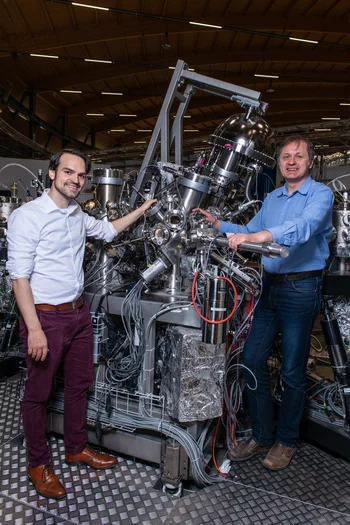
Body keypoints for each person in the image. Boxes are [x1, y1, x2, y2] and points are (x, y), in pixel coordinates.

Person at [6, 149, 157, 499]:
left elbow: (107, 231)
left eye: (81, 175)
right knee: (38, 394)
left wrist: (143, 209)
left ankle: (75, 448)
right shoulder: (27, 216)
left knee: (79, 384)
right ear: (51, 173)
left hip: (78, 313)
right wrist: (36, 329)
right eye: (68, 172)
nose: (75, 179)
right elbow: (19, 278)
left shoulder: (76, 214)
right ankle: (38, 464)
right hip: (44, 316)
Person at [194, 136, 334, 470]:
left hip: (302, 287)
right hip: (270, 287)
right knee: (253, 358)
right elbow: (247, 229)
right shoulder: (272, 198)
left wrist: (259, 237)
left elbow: (301, 228)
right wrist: (218, 225)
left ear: (310, 162)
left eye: (298, 156)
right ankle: (261, 433)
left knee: (291, 370)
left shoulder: (320, 194)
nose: (291, 161)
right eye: (286, 156)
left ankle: (286, 441)